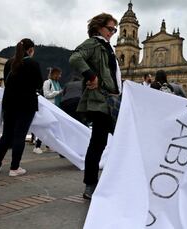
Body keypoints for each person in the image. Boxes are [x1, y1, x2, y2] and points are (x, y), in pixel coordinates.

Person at [69, 13, 121, 199]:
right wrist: (91, 76)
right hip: (101, 100)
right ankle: (90, 185)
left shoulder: (108, 47)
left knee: (109, 141)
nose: (112, 33)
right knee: (98, 143)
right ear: (99, 27)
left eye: (115, 30)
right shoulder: (93, 44)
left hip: (112, 100)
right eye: (110, 29)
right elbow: (75, 58)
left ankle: (105, 182)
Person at [0, 38, 43, 176]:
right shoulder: (33, 63)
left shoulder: (9, 62)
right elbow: (39, 84)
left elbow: (7, 82)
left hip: (9, 103)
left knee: (6, 135)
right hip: (26, 103)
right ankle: (14, 168)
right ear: (30, 50)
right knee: (20, 135)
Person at [33, 67, 63, 154]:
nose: (60, 76)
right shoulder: (47, 82)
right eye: (59, 74)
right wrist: (58, 92)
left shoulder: (57, 83)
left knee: (51, 128)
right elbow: (46, 95)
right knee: (45, 127)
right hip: (48, 107)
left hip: (56, 108)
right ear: (55, 74)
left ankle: (48, 146)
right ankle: (37, 146)